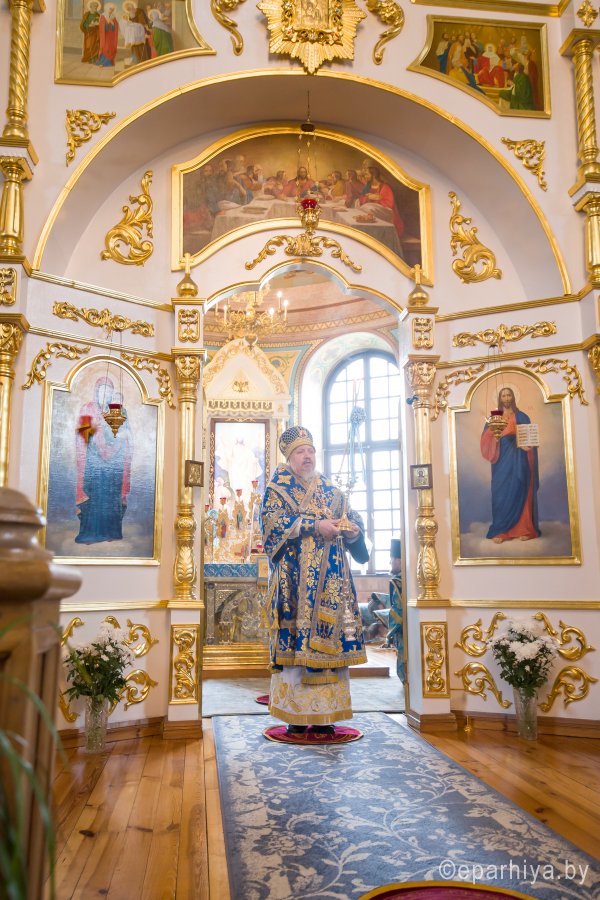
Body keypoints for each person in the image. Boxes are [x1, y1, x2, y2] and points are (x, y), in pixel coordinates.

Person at [261, 426, 369, 736]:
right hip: (295, 584)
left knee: (331, 649)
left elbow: (352, 519)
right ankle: (296, 715)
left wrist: (353, 532)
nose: (307, 456)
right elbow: (272, 526)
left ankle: (326, 716)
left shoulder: (331, 490)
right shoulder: (278, 489)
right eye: (300, 452)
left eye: (310, 451)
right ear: (290, 457)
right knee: (297, 649)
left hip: (332, 583)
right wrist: (314, 526)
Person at [75, 377, 133, 544]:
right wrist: (97, 429)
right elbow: (82, 435)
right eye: (103, 391)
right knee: (96, 496)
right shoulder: (88, 408)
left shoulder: (117, 410)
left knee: (111, 497)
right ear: (97, 392)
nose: (106, 394)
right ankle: (91, 533)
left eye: (109, 392)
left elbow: (126, 433)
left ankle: (111, 532)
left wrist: (121, 435)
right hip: (94, 462)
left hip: (114, 463)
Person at [480, 387, 540, 544]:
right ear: (500, 398)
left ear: (513, 397)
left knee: (520, 486)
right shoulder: (494, 418)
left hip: (520, 457)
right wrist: (495, 438)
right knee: (501, 491)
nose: (506, 398)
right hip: (501, 459)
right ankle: (501, 530)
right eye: (503, 396)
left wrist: (528, 447)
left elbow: (529, 439)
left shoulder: (522, 416)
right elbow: (486, 439)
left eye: (509, 395)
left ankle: (523, 528)